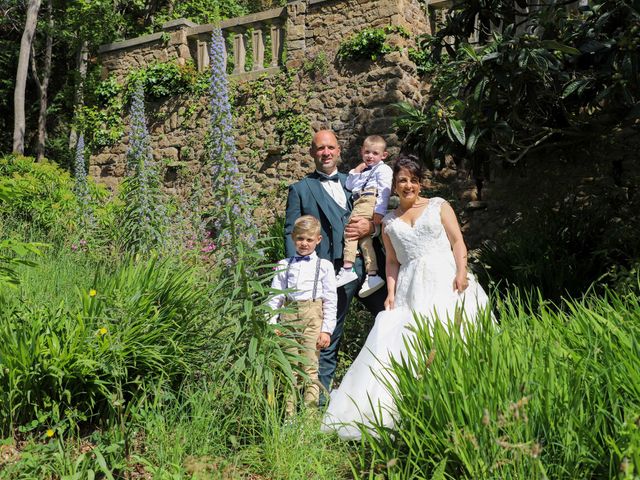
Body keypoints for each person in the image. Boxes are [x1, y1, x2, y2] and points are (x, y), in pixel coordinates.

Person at [321, 155, 490, 440]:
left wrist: (461, 272)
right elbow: (392, 263)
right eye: (402, 180)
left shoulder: (439, 206)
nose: (408, 185)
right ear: (394, 185)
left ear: (420, 182)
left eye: (413, 180)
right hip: (411, 285)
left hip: (445, 278)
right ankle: (411, 406)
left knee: (452, 335)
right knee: (409, 342)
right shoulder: (389, 221)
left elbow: (458, 241)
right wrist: (390, 293)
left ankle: (462, 403)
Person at [284, 130, 387, 399]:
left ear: (339, 150)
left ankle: (387, 392)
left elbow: (381, 209)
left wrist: (371, 225)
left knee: (389, 320)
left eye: (330, 147)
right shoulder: (300, 189)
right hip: (330, 274)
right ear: (311, 153)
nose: (326, 153)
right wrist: (292, 275)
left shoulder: (355, 181)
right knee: (328, 338)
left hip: (367, 268)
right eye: (320, 149)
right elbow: (289, 232)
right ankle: (317, 406)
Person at [268, 215, 337, 415]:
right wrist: (272, 322)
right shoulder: (284, 264)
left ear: (318, 240)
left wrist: (326, 330)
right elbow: (275, 297)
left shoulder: (324, 266)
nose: (304, 243)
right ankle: (289, 416)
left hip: (313, 317)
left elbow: (331, 301)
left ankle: (309, 417)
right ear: (293, 238)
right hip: (288, 317)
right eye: (300, 239)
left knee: (310, 367)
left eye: (309, 239)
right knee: (289, 368)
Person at [335, 135, 393, 299]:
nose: (370, 156)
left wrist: (379, 213)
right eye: (367, 152)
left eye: (375, 153)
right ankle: (372, 274)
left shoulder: (382, 169)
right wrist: (356, 170)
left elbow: (384, 191)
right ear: (361, 152)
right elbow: (349, 185)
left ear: (384, 155)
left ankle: (347, 268)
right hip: (360, 201)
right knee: (364, 240)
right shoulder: (365, 170)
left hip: (368, 201)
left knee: (351, 231)